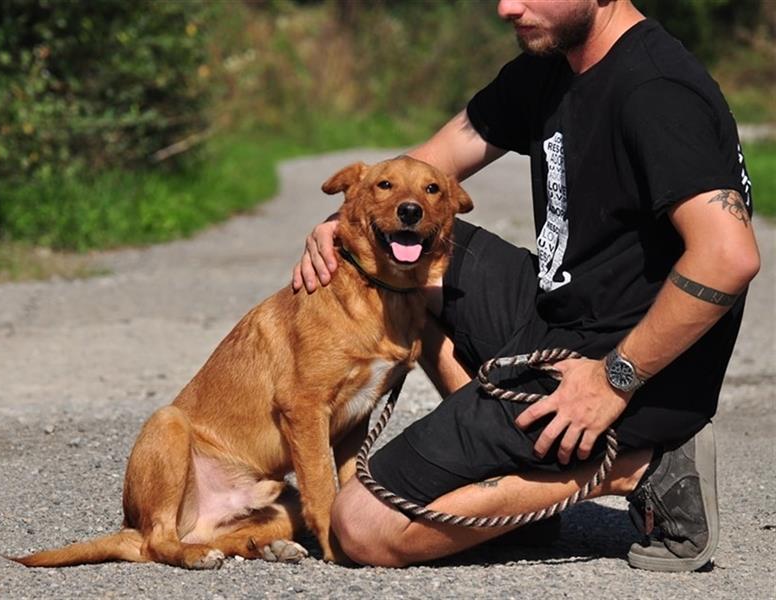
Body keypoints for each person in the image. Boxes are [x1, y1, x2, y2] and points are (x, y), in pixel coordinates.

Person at [292, 0, 760, 571]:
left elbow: (728, 256)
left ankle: (638, 465)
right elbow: (426, 170)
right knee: (404, 256)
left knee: (362, 527)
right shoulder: (553, 63)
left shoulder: (656, 90)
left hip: (630, 361)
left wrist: (614, 379)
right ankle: (518, 473)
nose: (507, 7)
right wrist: (344, 222)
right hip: (562, 310)